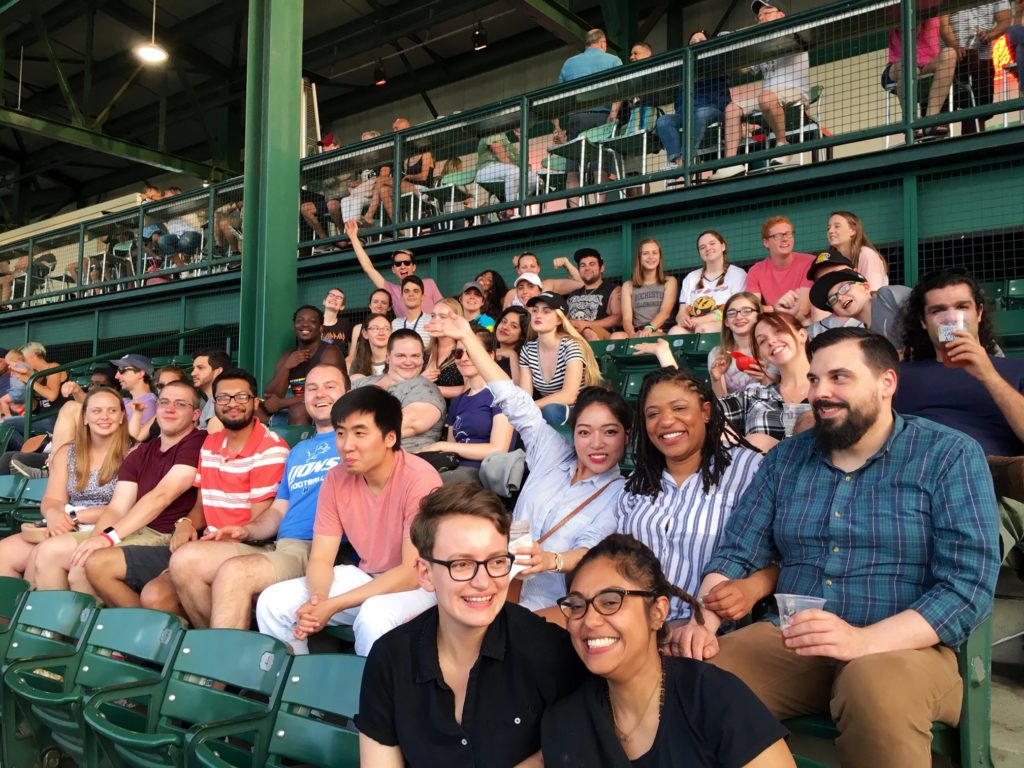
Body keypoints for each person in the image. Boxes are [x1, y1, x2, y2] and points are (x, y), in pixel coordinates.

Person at [677, 328, 999, 768]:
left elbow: (968, 586)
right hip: (792, 640)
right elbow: (737, 551)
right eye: (813, 380)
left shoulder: (948, 454)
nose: (820, 393)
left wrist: (861, 640)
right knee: (686, 682)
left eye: (839, 378)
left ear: (886, 384)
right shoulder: (787, 459)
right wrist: (703, 619)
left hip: (904, 647)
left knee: (876, 692)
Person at [356, 482, 587, 767]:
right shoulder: (391, 658)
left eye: (496, 561)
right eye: (461, 564)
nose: (483, 582)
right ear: (426, 574)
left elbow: (578, 746)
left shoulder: (549, 651)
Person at [428, 311, 629, 612]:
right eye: (585, 432)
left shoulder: (621, 492)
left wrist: (552, 560)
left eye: (610, 432)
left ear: (626, 436)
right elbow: (513, 400)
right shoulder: (553, 453)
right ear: (573, 434)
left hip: (552, 607)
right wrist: (468, 337)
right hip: (499, 588)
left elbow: (592, 548)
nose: (596, 444)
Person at [542, 534, 795, 767]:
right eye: (576, 606)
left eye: (610, 602)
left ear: (658, 612)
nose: (589, 621)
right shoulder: (568, 720)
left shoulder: (712, 697)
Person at [256, 386, 442, 656]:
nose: (346, 445)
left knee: (374, 614)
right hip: (368, 577)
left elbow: (411, 572)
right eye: (341, 433)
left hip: (424, 585)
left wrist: (333, 605)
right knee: (273, 602)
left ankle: (371, 698)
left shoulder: (419, 478)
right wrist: (317, 600)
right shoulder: (336, 478)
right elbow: (321, 557)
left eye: (359, 433)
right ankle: (301, 692)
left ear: (390, 437)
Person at [122, 369, 288, 625]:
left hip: (253, 546)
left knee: (185, 561)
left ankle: (218, 651)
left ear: (256, 403)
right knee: (155, 595)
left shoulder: (270, 447)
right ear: (215, 404)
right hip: (210, 544)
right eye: (223, 398)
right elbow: (201, 505)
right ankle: (202, 644)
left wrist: (200, 552)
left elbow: (259, 525)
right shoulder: (210, 444)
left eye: (241, 397)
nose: (232, 404)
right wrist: (186, 523)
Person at [617, 351, 766, 630]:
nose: (666, 421)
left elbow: (782, 552)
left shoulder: (747, 468)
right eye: (653, 414)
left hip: (708, 633)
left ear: (706, 412)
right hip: (635, 628)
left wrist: (753, 587)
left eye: (679, 408)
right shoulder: (637, 483)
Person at [193, 364, 349, 629]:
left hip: (318, 548)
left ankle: (224, 667)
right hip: (283, 544)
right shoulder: (299, 450)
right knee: (188, 560)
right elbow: (278, 510)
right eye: (312, 388)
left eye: (330, 387)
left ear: (348, 393)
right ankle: (224, 649)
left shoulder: (356, 443)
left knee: (234, 573)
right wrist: (247, 530)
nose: (320, 394)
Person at [893, 270, 1024, 573]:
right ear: (924, 322)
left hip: (992, 481)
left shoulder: (1014, 370)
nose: (951, 318)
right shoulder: (900, 375)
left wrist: (988, 374)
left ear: (978, 313)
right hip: (915, 476)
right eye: (938, 310)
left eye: (962, 307)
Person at [30, 380, 205, 594]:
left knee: (80, 568)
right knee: (49, 552)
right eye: (165, 402)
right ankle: (51, 627)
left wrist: (106, 538)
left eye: (180, 404)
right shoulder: (143, 451)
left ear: (196, 414)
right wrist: (96, 538)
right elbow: (117, 507)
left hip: (164, 534)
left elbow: (161, 496)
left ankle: (94, 626)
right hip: (135, 529)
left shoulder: (198, 442)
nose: (170, 409)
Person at [0, 387, 130, 579]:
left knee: (41, 555)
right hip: (67, 523)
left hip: (107, 527)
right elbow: (52, 498)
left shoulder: (134, 454)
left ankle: (39, 606)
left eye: (112, 410)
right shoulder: (67, 452)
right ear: (84, 417)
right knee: (3, 554)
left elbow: (124, 508)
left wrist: (73, 517)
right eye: (96, 411)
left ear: (121, 416)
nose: (105, 416)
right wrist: (53, 514)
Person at [421, 327, 515, 485]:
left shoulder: (502, 394)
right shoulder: (458, 401)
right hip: (454, 470)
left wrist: (442, 445)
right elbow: (451, 451)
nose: (463, 358)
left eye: (471, 352)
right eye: (458, 353)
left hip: (484, 475)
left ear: (490, 355)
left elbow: (498, 449)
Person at [723, 2, 812, 168]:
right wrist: (730, 48)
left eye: (767, 13)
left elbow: (802, 37)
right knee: (731, 109)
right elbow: (744, 69)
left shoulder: (794, 31)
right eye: (759, 16)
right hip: (768, 99)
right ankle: (730, 164)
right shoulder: (761, 44)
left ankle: (783, 144)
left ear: (781, 14)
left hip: (795, 94)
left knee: (765, 96)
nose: (761, 18)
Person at [657, 30, 744, 179]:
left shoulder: (716, 59)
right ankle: (677, 161)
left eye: (701, 41)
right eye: (693, 42)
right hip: (685, 114)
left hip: (714, 109)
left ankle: (686, 159)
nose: (697, 44)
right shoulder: (682, 69)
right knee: (663, 121)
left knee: (699, 114)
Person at [720, 311, 811, 452]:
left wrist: (768, 445)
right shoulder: (754, 395)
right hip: (760, 472)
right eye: (762, 340)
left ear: (802, 335)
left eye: (779, 331)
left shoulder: (830, 389)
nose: (771, 341)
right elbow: (705, 411)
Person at [351, 329, 446, 453]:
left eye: (415, 356)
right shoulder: (362, 382)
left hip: (404, 461)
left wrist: (348, 430)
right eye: (401, 356)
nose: (408, 362)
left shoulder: (426, 389)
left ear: (423, 358)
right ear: (387, 357)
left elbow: (408, 424)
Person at [518, 291, 603, 427]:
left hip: (581, 410)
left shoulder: (570, 346)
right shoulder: (527, 350)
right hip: (548, 411)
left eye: (546, 311)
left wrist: (528, 407)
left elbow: (569, 395)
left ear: (559, 319)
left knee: (551, 410)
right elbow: (525, 395)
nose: (538, 315)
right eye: (535, 310)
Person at [263, 305, 344, 425]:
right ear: (294, 326)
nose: (305, 324)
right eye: (300, 320)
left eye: (312, 321)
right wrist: (287, 367)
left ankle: (300, 443)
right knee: (254, 412)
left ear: (321, 328)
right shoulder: (287, 357)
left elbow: (325, 394)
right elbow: (272, 396)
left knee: (298, 410)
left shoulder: (329, 352)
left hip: (327, 406)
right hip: (297, 406)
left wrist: (282, 403)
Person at [346, 220, 443, 316]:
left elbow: (443, 308)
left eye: (407, 263)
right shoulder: (392, 290)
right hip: (405, 330)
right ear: (393, 269)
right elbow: (368, 268)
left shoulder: (429, 283)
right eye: (398, 264)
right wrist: (353, 237)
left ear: (413, 267)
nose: (402, 266)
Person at [884, 12, 956, 139]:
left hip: (927, 63)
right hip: (898, 65)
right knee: (909, 68)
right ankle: (911, 123)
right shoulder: (897, 8)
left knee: (950, 53)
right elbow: (911, 33)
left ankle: (930, 121)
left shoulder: (935, 6)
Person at [943, 4, 1011, 134]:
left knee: (980, 108)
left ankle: (976, 141)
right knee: (944, 108)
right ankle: (937, 142)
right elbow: (942, 22)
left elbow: (1005, 19)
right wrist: (954, 46)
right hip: (949, 57)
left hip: (982, 56)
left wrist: (990, 35)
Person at [807, 268, 910, 346]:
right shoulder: (864, 337)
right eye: (833, 299)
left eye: (845, 288)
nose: (840, 297)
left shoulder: (886, 296)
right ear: (836, 312)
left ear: (865, 287)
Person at [670, 230, 747, 334]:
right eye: (702, 247)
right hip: (694, 324)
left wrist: (701, 320)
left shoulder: (737, 274)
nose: (707, 248)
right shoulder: (691, 277)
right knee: (675, 331)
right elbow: (681, 312)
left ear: (723, 246)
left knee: (703, 329)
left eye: (712, 243)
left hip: (725, 323)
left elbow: (737, 308)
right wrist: (683, 319)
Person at [744, 215, 814, 320]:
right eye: (777, 236)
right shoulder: (756, 271)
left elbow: (803, 310)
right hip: (774, 323)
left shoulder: (809, 262)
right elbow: (752, 309)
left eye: (788, 234)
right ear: (766, 242)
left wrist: (772, 309)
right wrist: (774, 308)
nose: (785, 239)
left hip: (804, 324)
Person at [3, 342, 69, 450]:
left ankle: (31, 452)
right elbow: (34, 407)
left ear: (33, 355)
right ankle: (32, 452)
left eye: (23, 359)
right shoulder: (34, 375)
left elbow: (52, 395)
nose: (22, 363)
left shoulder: (53, 367)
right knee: (6, 424)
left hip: (58, 417)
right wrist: (25, 389)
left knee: (7, 423)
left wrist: (29, 380)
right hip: (42, 417)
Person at [708, 292, 772, 396]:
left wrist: (765, 380)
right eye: (732, 313)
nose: (738, 317)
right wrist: (716, 379)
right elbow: (722, 401)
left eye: (747, 311)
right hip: (732, 410)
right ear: (726, 322)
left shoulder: (770, 348)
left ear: (759, 316)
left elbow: (778, 395)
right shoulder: (717, 353)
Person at [614, 238, 679, 338]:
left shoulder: (670, 281)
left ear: (660, 256)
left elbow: (665, 312)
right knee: (616, 336)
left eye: (654, 253)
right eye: (645, 253)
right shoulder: (628, 286)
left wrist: (649, 328)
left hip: (661, 329)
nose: (651, 257)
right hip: (638, 331)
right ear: (639, 258)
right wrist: (632, 335)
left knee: (648, 337)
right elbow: (626, 319)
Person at [473, 128, 537, 214]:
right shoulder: (493, 131)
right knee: (513, 171)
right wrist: (517, 170)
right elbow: (496, 148)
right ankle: (509, 208)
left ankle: (507, 206)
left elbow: (523, 163)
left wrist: (521, 137)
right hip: (486, 171)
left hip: (507, 173)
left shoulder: (506, 141)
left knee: (535, 178)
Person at [565, 247, 623, 341]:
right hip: (573, 336)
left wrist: (586, 325)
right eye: (583, 265)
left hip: (599, 336)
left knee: (588, 331)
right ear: (579, 270)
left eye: (592, 264)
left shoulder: (613, 289)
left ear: (602, 268)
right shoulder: (573, 294)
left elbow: (618, 318)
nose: (587, 268)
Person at [825, 211, 888, 291]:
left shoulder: (866, 254)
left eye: (837, 226)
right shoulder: (832, 260)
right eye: (828, 228)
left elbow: (873, 293)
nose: (830, 231)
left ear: (853, 231)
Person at [501, 251, 583, 309]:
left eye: (532, 266)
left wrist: (566, 263)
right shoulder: (511, 294)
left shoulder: (548, 284)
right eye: (524, 267)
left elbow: (581, 283)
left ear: (538, 268)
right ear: (518, 270)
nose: (529, 270)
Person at [422, 298, 466, 400]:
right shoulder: (425, 352)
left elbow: (472, 387)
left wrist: (432, 389)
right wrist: (421, 379)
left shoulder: (464, 352)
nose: (435, 320)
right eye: (433, 316)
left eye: (442, 317)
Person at [347, 288, 394, 369]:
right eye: (375, 302)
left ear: (389, 307)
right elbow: (352, 356)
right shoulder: (358, 328)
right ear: (370, 305)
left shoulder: (394, 326)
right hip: (363, 369)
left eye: (384, 303)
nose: (379, 305)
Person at [191, 348, 230, 430]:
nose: (193, 373)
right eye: (193, 368)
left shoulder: (220, 399)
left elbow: (213, 436)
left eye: (200, 368)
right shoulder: (211, 400)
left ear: (218, 371)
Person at [390, 275, 433, 347]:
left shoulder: (432, 321)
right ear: (401, 297)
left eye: (416, 291)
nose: (411, 294)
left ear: (422, 297)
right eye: (407, 291)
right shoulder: (395, 324)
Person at [349, 313, 392, 380]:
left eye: (386, 329)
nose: (381, 333)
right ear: (365, 333)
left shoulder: (399, 360)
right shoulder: (358, 364)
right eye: (375, 328)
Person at [494, 306, 529, 380]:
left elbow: (519, 390)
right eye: (503, 321)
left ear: (522, 335)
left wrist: (512, 355)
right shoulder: (485, 349)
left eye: (514, 326)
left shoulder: (525, 358)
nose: (505, 327)